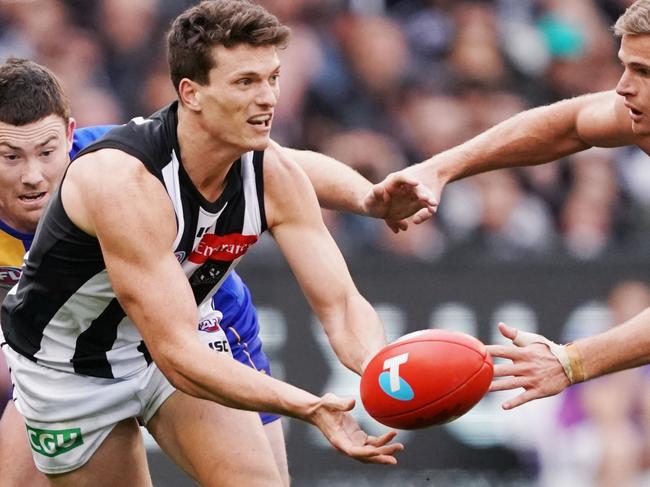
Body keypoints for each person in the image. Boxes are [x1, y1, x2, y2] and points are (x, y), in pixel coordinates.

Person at [0, 2, 440, 484]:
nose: (269, 98)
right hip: (72, 370)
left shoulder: (271, 169)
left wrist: (381, 369)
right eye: (246, 82)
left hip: (183, 332)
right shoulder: (123, 180)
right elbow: (179, 355)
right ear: (190, 93)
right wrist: (307, 405)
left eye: (272, 78)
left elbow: (340, 304)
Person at [395, 0, 650, 411]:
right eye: (626, 66)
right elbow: (568, 124)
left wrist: (570, 362)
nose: (622, 87)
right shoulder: (640, 112)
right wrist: (439, 169)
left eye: (644, 72)